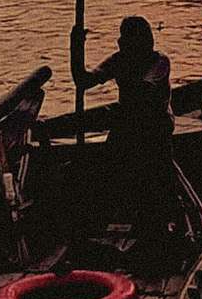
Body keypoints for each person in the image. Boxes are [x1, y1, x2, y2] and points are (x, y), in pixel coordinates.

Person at [70, 16, 178, 238]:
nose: (120, 42)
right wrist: (76, 47)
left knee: (156, 174)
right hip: (128, 124)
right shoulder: (119, 60)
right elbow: (84, 81)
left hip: (154, 125)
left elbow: (145, 90)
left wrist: (113, 111)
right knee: (111, 169)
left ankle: (164, 218)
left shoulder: (159, 62)